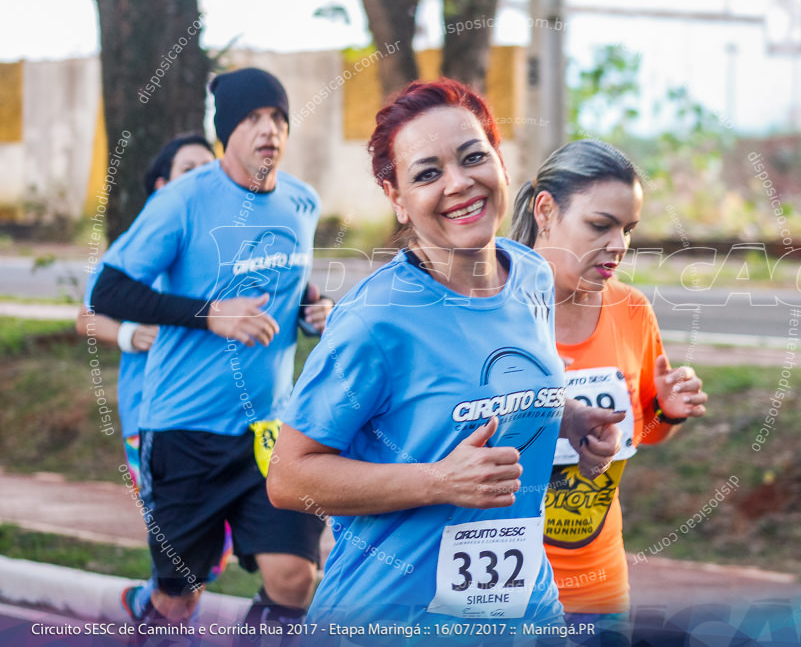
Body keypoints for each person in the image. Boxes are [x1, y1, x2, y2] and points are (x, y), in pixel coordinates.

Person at [267, 78, 624, 643]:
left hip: (523, 614)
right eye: (427, 173)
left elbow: (497, 382)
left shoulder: (530, 275)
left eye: (473, 157)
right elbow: (289, 477)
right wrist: (438, 481)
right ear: (396, 198)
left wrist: (569, 415)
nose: (459, 184)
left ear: (501, 164)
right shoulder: (375, 320)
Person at [86, 68, 329, 637]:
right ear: (226, 132)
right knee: (178, 601)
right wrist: (209, 313)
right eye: (251, 119)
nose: (268, 130)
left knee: (294, 579)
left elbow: (289, 289)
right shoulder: (183, 202)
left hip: (270, 433)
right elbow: (109, 291)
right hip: (184, 432)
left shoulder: (302, 203)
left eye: (277, 118)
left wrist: (317, 311)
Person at [510, 139, 708, 646]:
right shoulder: (492, 311)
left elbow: (638, 433)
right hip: (499, 588)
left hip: (598, 585)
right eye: (601, 226)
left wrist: (667, 412)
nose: (618, 245)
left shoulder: (632, 310)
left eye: (627, 229)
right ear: (546, 210)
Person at [77, 133, 223, 620]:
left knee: (213, 546)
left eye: (210, 168)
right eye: (190, 170)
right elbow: (86, 314)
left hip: (218, 415)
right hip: (152, 411)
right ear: (163, 186)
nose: (203, 178)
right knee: (180, 537)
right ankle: (157, 607)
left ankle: (159, 607)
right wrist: (129, 334)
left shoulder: (221, 245)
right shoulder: (142, 244)